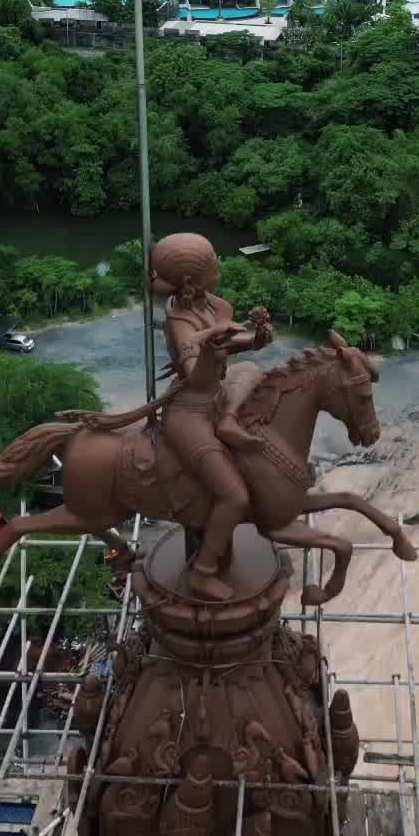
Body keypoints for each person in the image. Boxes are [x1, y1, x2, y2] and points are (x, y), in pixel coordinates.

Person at [150, 232, 272, 601]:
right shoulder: (178, 321)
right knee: (233, 496)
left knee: (252, 368)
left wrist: (255, 338)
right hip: (190, 411)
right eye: (213, 264)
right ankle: (203, 571)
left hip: (218, 398)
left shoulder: (216, 305)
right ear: (192, 280)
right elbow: (195, 374)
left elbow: (230, 347)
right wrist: (211, 339)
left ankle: (228, 420)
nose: (219, 267)